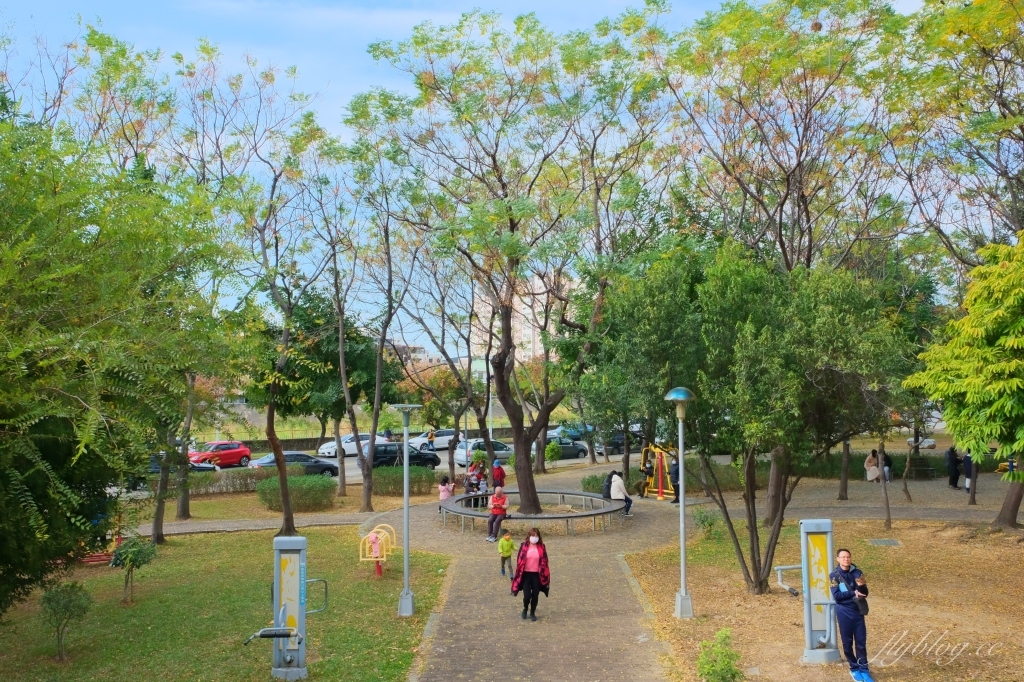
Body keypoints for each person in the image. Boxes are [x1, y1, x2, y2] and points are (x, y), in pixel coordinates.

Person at [830, 548, 874, 682]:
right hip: (843, 611)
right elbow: (837, 596)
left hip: (857, 611)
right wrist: (853, 592)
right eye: (843, 557)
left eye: (848, 557)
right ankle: (854, 668)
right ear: (838, 559)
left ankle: (864, 670)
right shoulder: (834, 576)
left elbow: (865, 593)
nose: (846, 559)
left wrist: (861, 587)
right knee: (847, 642)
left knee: (861, 642)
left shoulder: (858, 572)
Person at [511, 527, 550, 621]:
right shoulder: (524, 546)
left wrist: (545, 575)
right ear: (529, 536)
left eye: (536, 536)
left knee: (535, 595)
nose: (534, 538)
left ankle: (532, 612)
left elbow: (545, 561)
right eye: (533, 536)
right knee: (527, 595)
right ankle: (525, 608)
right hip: (526, 575)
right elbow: (519, 560)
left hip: (537, 575)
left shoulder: (541, 547)